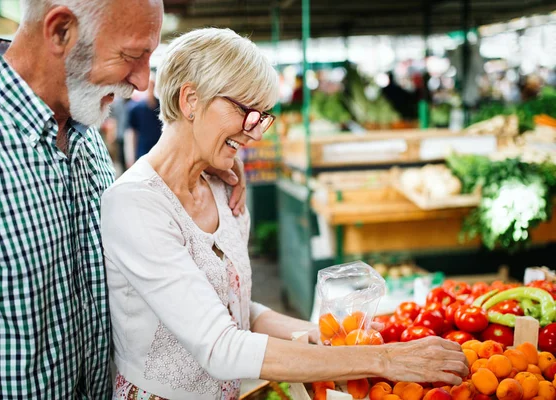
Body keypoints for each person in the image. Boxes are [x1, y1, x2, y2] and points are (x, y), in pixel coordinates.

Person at [101, 28, 469, 400]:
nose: (255, 133)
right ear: (191, 100)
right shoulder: (136, 205)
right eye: (245, 112)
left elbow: (238, 310)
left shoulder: (223, 189)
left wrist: (317, 334)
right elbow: (219, 346)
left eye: (261, 117)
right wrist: (383, 359)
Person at [0, 1, 246, 398]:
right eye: (131, 56)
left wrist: (203, 161)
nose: (144, 83)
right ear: (61, 32)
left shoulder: (86, 134)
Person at [128, 70, 164, 162]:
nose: (150, 89)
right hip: (142, 153)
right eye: (148, 87)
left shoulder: (162, 108)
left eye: (152, 86)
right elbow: (132, 134)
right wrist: (130, 156)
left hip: (159, 153)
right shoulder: (136, 108)